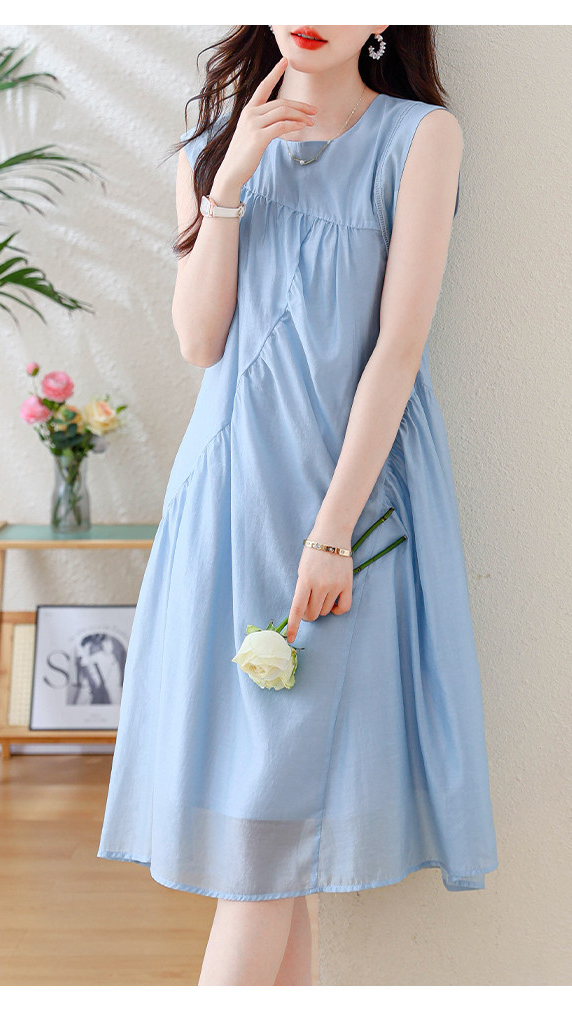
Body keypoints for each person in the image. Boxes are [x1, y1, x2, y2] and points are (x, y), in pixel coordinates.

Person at [97, 24, 498, 986]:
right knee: (275, 853)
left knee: (272, 841)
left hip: (345, 510)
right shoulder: (211, 149)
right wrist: (230, 181)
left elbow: (397, 352)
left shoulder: (419, 137)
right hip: (228, 501)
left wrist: (331, 534)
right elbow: (200, 344)